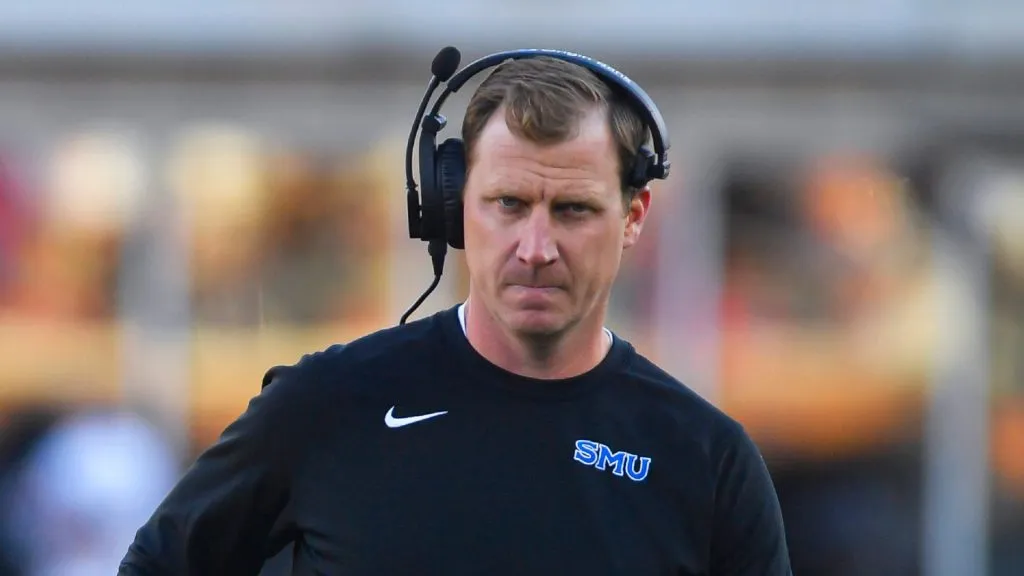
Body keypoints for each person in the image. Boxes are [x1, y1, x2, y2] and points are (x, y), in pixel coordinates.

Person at [119, 52, 791, 575]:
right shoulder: (328, 405)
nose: (536, 248)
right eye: (509, 204)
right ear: (453, 206)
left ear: (633, 217)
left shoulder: (707, 462)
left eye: (573, 210)